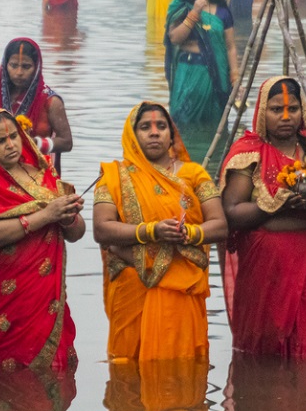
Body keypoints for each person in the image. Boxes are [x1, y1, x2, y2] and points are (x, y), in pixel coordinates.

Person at [220, 77, 306, 358]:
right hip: (266, 271)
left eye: (293, 109)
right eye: (277, 110)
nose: (286, 117)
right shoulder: (249, 154)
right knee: (263, 352)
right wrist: (277, 206)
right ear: (262, 112)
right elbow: (232, 213)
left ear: (302, 111)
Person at [93, 102, 228, 361]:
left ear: (172, 135)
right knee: (127, 368)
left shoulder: (193, 174)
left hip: (181, 286)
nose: (154, 132)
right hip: (132, 285)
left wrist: (190, 234)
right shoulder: (114, 176)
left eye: (161, 126)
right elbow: (102, 228)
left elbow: (219, 224)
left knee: (181, 368)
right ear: (132, 135)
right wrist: (152, 231)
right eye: (145, 127)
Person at [0, 110, 85, 370]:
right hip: (8, 302)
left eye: (14, 136)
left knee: (57, 373)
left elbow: (77, 233)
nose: (10, 145)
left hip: (48, 298)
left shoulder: (42, 171)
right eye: (0, 141)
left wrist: (66, 215)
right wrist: (46, 215)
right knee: (11, 377)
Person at [165, 0, 239, 133]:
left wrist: (235, 76)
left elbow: (230, 47)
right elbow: (175, 38)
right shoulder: (182, 9)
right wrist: (194, 12)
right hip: (188, 73)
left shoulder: (223, 12)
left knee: (214, 122)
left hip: (215, 76)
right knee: (183, 121)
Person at [0, 37, 73, 172]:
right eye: (14, 65)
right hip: (0, 173)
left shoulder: (51, 101)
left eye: (26, 66)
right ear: (5, 65)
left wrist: (35, 143)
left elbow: (66, 142)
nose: (19, 72)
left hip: (40, 174)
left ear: (37, 68)